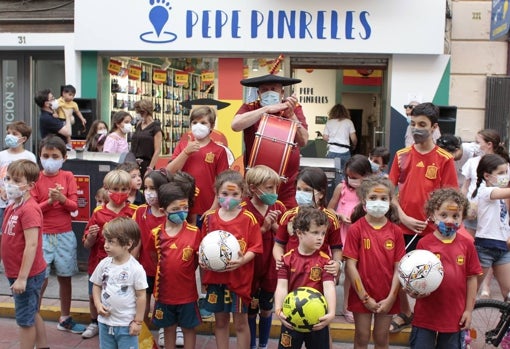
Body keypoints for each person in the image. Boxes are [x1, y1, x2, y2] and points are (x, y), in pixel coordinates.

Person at [388, 102, 458, 333]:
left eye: (422, 125)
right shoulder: (401, 156)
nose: (416, 129)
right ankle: (406, 312)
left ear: (434, 127)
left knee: (430, 277)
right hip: (403, 227)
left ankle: (426, 318)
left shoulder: (444, 159)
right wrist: (402, 216)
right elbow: (388, 192)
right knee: (398, 273)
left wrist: (435, 220)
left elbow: (450, 198)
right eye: (413, 124)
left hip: (432, 232)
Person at [409, 188, 481, 349]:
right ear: (433, 215)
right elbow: (414, 276)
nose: (449, 220)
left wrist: (469, 310)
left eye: (455, 216)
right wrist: (413, 290)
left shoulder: (467, 244)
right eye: (443, 215)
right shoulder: (424, 244)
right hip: (426, 314)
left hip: (454, 316)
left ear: (463, 217)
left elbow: (472, 279)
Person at [200, 170, 263, 349]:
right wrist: (203, 262)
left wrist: (243, 260)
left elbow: (255, 248)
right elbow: (202, 247)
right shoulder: (209, 219)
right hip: (215, 280)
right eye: (225, 194)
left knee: (241, 322)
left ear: (242, 194)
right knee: (220, 321)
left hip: (239, 280)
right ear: (217, 194)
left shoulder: (248, 219)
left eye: (235, 194)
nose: (229, 197)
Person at [30, 135, 85, 334]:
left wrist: (60, 198)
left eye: (55, 156)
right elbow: (33, 208)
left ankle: (65, 317)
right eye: (46, 155)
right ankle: (33, 315)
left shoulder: (68, 176)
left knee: (65, 276)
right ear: (40, 156)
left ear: (64, 157)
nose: (50, 159)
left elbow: (73, 205)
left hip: (64, 235)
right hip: (42, 235)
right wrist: (50, 202)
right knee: (40, 278)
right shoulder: (35, 178)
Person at [343, 176, 405, 349]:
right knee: (361, 337)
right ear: (364, 200)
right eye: (373, 198)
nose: (378, 202)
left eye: (384, 198)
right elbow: (350, 266)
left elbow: (399, 268)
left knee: (381, 337)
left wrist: (391, 298)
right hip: (361, 294)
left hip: (387, 295)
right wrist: (364, 298)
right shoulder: (356, 229)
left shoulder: (396, 232)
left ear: (391, 201)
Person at [231, 74, 309, 209]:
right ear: (258, 93)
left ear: (282, 92)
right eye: (264, 90)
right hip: (256, 184)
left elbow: (303, 140)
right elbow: (235, 125)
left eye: (273, 89)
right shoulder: (250, 107)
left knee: (286, 222)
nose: (269, 92)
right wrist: (265, 109)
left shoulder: (294, 108)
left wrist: (291, 115)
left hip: (286, 184)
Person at [82, 169, 138, 339]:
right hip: (99, 263)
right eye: (115, 189)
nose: (119, 193)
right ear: (106, 189)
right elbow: (86, 244)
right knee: (95, 295)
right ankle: (94, 322)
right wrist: (91, 235)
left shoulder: (134, 212)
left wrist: (132, 262)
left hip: (124, 265)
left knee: (125, 295)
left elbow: (138, 241)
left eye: (124, 189)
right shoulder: (98, 213)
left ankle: (125, 322)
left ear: (129, 190)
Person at [0, 159, 49, 349]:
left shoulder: (29, 209)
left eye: (16, 180)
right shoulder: (14, 206)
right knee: (32, 312)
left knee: (24, 320)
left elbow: (31, 244)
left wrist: (22, 278)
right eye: (8, 178)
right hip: (17, 272)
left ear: (30, 185)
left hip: (27, 275)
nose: (10, 183)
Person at [273, 207, 336, 349]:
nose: (320, 237)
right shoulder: (286, 259)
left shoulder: (326, 261)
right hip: (291, 316)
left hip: (317, 320)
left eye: (323, 233)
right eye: (315, 233)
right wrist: (278, 308)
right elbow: (281, 286)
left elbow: (329, 288)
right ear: (300, 233)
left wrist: (331, 312)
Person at [150, 182, 202, 349]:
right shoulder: (156, 234)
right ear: (162, 211)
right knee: (168, 329)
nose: (181, 213)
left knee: (189, 329)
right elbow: (153, 258)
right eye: (175, 210)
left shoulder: (195, 232)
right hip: (164, 294)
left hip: (187, 294)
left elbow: (195, 262)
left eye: (185, 208)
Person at [242, 165, 286, 349]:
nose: (273, 192)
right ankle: (252, 344)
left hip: (271, 268)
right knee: (250, 311)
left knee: (268, 310)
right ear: (253, 188)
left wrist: (276, 227)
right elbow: (242, 243)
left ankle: (264, 344)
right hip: (250, 269)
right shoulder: (243, 208)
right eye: (269, 188)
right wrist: (263, 229)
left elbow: (288, 239)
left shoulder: (279, 207)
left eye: (275, 188)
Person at [327, 154, 372, 323]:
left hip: (360, 235)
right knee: (335, 270)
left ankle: (347, 306)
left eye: (355, 177)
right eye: (348, 176)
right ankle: (328, 303)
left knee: (351, 272)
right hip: (342, 232)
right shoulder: (342, 188)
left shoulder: (368, 191)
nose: (351, 180)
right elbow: (330, 208)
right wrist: (339, 215)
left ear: (366, 175)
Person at [90, 217, 147, 349]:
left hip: (126, 325)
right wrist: (98, 304)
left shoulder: (136, 269)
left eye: (111, 242)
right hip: (105, 324)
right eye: (105, 240)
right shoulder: (104, 263)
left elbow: (141, 296)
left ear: (127, 244)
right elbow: (97, 285)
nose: (105, 245)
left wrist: (138, 322)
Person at [273, 167, 342, 277]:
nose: (301, 193)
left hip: (319, 273)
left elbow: (336, 249)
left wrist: (337, 264)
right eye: (299, 189)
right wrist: (280, 260)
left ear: (321, 194)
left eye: (307, 190)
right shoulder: (288, 216)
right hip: (291, 272)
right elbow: (279, 245)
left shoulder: (330, 219)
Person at [166, 105, 229, 226]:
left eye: (203, 122)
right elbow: (170, 172)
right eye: (194, 122)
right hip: (181, 207)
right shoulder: (182, 146)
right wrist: (186, 152)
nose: (198, 126)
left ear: (212, 126)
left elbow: (222, 183)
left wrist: (214, 207)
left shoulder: (219, 151)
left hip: (206, 207)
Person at [131, 169, 169, 346]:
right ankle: (141, 333)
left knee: (163, 302)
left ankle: (163, 329)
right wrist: (130, 263)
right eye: (146, 188)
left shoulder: (171, 213)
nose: (148, 192)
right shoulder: (140, 212)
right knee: (143, 301)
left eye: (152, 188)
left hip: (166, 270)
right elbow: (136, 240)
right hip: (144, 268)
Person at [469, 154, 510, 301]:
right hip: (485, 247)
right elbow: (503, 192)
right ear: (487, 175)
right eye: (500, 173)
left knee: (508, 292)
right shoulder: (485, 191)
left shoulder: (502, 195)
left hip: (503, 248)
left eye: (506, 172)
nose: (504, 176)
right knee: (471, 292)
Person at [0, 121, 37, 232]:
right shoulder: (1, 155)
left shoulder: (29, 156)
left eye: (14, 133)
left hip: (20, 204)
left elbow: (33, 179)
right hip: (1, 204)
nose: (10, 136)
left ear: (24, 139)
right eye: (8, 133)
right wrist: (2, 190)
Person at [131, 99, 163, 178]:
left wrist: (150, 168)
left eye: (139, 112)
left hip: (146, 163)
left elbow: (157, 150)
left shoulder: (156, 127)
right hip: (133, 162)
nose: (138, 114)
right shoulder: (139, 124)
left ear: (145, 112)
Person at [322, 103, 358, 170]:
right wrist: (354, 145)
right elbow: (354, 139)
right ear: (345, 112)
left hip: (332, 151)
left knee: (332, 173)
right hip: (345, 152)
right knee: (345, 172)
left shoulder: (329, 122)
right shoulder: (349, 122)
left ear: (332, 112)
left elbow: (325, 137)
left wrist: (332, 141)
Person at [54, 85, 87, 149]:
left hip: (67, 120)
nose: (71, 97)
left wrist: (82, 119)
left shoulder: (73, 104)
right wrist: (55, 113)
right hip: (60, 119)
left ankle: (69, 144)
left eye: (73, 96)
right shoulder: (58, 101)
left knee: (68, 133)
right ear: (63, 93)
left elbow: (78, 112)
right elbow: (53, 108)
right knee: (60, 132)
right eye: (70, 95)